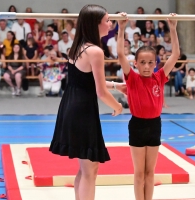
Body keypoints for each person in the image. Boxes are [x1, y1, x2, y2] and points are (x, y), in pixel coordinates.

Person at [49, 5, 126, 200]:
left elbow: (87, 80)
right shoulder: (95, 51)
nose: (110, 23)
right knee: (90, 169)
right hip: (82, 110)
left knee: (87, 168)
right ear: (95, 24)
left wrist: (115, 86)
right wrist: (117, 106)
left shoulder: (78, 45)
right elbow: (100, 91)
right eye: (107, 20)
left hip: (72, 105)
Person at [117, 12, 180, 200]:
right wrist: (121, 28)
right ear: (135, 63)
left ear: (155, 63)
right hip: (137, 125)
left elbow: (175, 54)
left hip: (154, 125)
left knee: (150, 173)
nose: (146, 66)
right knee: (138, 174)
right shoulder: (132, 78)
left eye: (150, 63)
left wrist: (173, 28)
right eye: (142, 63)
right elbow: (121, 53)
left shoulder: (159, 77)